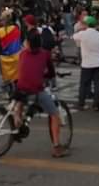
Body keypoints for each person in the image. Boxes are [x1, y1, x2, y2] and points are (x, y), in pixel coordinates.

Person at [13, 29, 68, 158]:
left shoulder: (22, 54)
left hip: (20, 87)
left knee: (21, 97)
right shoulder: (45, 54)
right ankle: (56, 146)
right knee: (54, 114)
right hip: (35, 89)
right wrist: (44, 75)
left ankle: (17, 120)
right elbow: (51, 72)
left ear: (28, 43)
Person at [73, 16, 99, 112]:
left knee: (84, 84)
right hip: (98, 62)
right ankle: (96, 105)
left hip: (87, 63)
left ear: (86, 24)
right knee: (97, 84)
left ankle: (81, 104)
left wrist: (81, 29)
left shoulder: (83, 34)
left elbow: (74, 37)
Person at [0, 10, 23, 88]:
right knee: (16, 77)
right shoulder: (16, 29)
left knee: (7, 78)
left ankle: (10, 92)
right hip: (16, 56)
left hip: (4, 57)